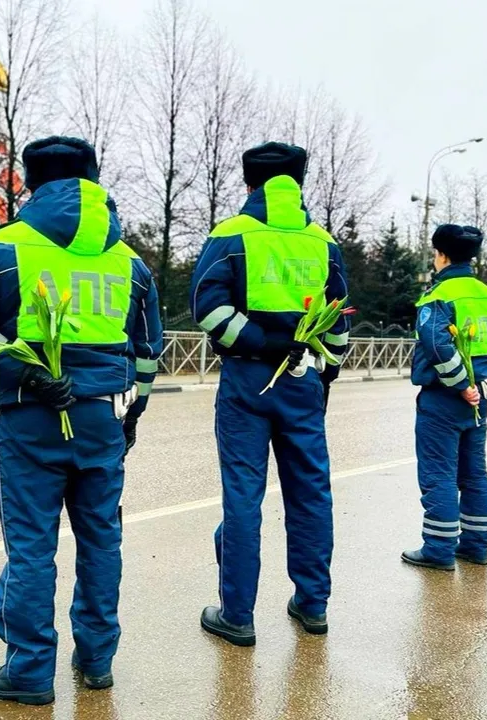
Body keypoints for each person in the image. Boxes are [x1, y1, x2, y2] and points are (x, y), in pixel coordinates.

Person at [0, 136, 163, 705]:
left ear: (30, 185)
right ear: (92, 183)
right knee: (101, 539)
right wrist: (131, 413)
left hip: (32, 417)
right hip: (103, 419)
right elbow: (147, 352)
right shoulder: (129, 263)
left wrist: (22, 368)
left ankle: (30, 672)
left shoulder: (1, 249)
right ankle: (97, 661)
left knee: (32, 547)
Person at [189, 141, 350, 646]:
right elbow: (341, 316)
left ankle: (237, 615)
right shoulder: (322, 243)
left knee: (243, 496)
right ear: (299, 183)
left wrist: (259, 342)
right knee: (311, 492)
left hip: (246, 379)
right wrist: (325, 372)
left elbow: (206, 307)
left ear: (249, 184)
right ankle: (312, 604)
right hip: (303, 379)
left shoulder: (232, 235)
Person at [401, 225, 487, 571]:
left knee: (439, 474)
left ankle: (438, 550)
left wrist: (461, 385)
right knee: (474, 473)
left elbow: (436, 344)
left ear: (442, 255)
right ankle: (477, 546)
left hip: (443, 398)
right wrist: (486, 389)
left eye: (434, 254)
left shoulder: (438, 296)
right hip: (479, 401)